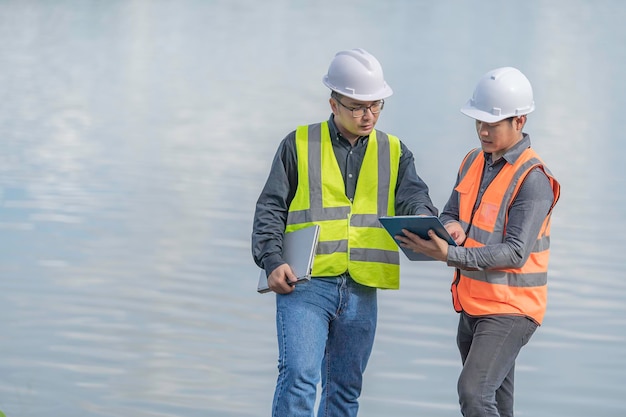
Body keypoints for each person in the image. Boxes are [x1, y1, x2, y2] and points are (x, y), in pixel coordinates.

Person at [251, 48, 437, 417]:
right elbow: (270, 207)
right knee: (299, 378)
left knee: (345, 390)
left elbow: (414, 197)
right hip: (305, 283)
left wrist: (425, 219)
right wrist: (271, 260)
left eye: (375, 105)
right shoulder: (298, 144)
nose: (368, 115)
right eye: (356, 106)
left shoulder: (395, 151)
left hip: (362, 288)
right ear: (333, 103)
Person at [396, 66, 561, 417]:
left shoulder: (534, 180)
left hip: (511, 309)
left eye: (492, 124)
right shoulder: (473, 161)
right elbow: (450, 211)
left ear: (520, 121)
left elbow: (516, 253)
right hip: (473, 304)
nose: (483, 131)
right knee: (497, 402)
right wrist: (450, 227)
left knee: (473, 392)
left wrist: (450, 254)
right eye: (478, 122)